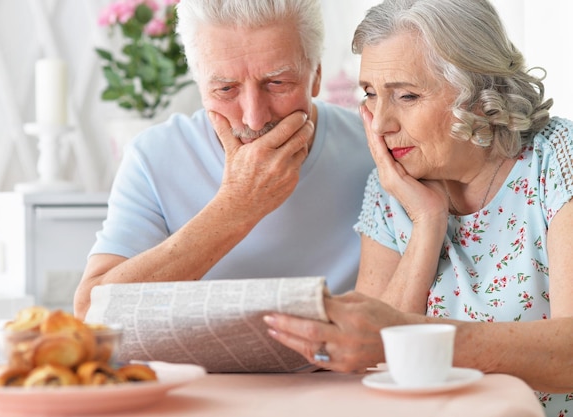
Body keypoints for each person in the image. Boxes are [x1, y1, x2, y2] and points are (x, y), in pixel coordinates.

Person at [263, 1, 573, 416]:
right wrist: (428, 222)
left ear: (483, 95)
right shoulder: (391, 186)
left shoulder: (556, 158)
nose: (378, 123)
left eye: (406, 95)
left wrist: (406, 335)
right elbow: (366, 364)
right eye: (371, 94)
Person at [74, 0, 374, 318]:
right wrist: (236, 208)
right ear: (200, 84)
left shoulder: (372, 149)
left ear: (316, 76)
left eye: (277, 83)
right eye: (226, 89)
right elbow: (90, 311)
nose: (254, 118)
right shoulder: (152, 157)